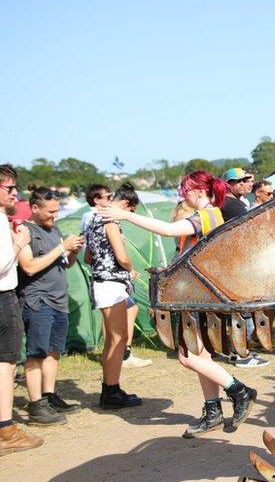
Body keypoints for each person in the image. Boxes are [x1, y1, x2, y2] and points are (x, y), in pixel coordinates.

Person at [96, 170, 258, 438]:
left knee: (188, 356)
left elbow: (169, 229)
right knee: (201, 355)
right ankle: (213, 410)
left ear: (201, 191)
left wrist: (126, 215)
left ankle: (239, 391)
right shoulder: (212, 214)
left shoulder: (208, 215)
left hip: (197, 297)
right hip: (197, 295)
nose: (184, 194)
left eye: (187, 189)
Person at [17, 186, 84, 426]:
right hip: (37, 301)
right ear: (35, 208)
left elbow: (64, 264)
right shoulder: (25, 231)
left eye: (57, 211)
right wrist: (61, 248)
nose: (54, 216)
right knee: (37, 353)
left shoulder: (54, 230)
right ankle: (36, 407)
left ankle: (49, 396)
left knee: (54, 352)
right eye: (50, 211)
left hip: (59, 301)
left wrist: (73, 252)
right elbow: (29, 267)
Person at [84, 182, 145, 409]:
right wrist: (129, 269)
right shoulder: (111, 221)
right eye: (131, 212)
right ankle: (111, 391)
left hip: (100, 282)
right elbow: (121, 255)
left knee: (112, 340)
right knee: (118, 339)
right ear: (126, 205)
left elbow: (88, 257)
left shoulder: (92, 219)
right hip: (112, 285)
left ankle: (111, 389)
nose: (130, 217)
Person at [0, 165, 43, 455]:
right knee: (6, 362)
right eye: (9, 188)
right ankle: (6, 429)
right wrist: (19, 244)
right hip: (3, 298)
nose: (15, 193)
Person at [218, 167, 269, 368]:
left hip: (234, 262)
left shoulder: (232, 203)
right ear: (228, 184)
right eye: (238, 181)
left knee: (239, 310)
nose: (243, 184)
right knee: (242, 310)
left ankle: (237, 351)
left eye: (245, 180)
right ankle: (242, 355)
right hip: (236, 263)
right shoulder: (232, 206)